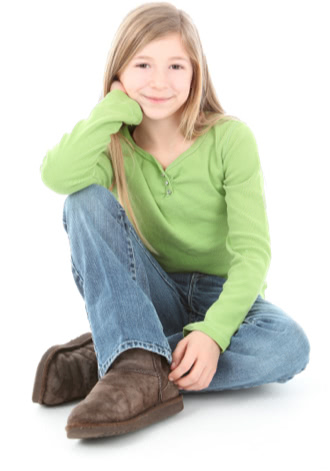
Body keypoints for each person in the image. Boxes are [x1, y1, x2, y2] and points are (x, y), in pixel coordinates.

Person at [32, 2, 310, 440]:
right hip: (152, 287)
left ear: (196, 73)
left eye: (176, 65)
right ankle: (131, 358)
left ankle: (122, 356)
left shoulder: (230, 139)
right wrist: (111, 109)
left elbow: (253, 254)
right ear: (119, 74)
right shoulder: (113, 147)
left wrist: (214, 335)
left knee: (288, 345)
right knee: (81, 200)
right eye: (143, 64)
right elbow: (57, 175)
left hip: (221, 294)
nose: (160, 81)